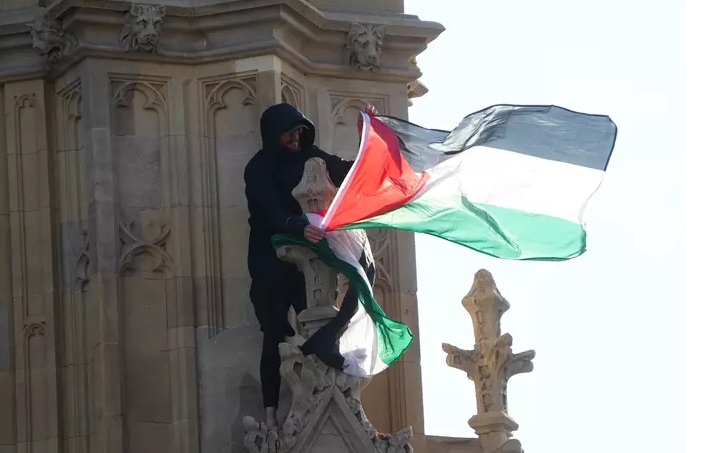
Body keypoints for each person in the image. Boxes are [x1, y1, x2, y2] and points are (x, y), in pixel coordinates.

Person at [244, 102, 376, 430]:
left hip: (312, 255)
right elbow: (265, 209)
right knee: (275, 329)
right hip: (270, 256)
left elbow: (348, 174)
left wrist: (366, 139)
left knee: (320, 322)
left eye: (299, 131)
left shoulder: (311, 156)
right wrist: (295, 224)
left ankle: (332, 404)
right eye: (289, 132)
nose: (295, 137)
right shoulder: (259, 167)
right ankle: (271, 415)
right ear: (274, 133)